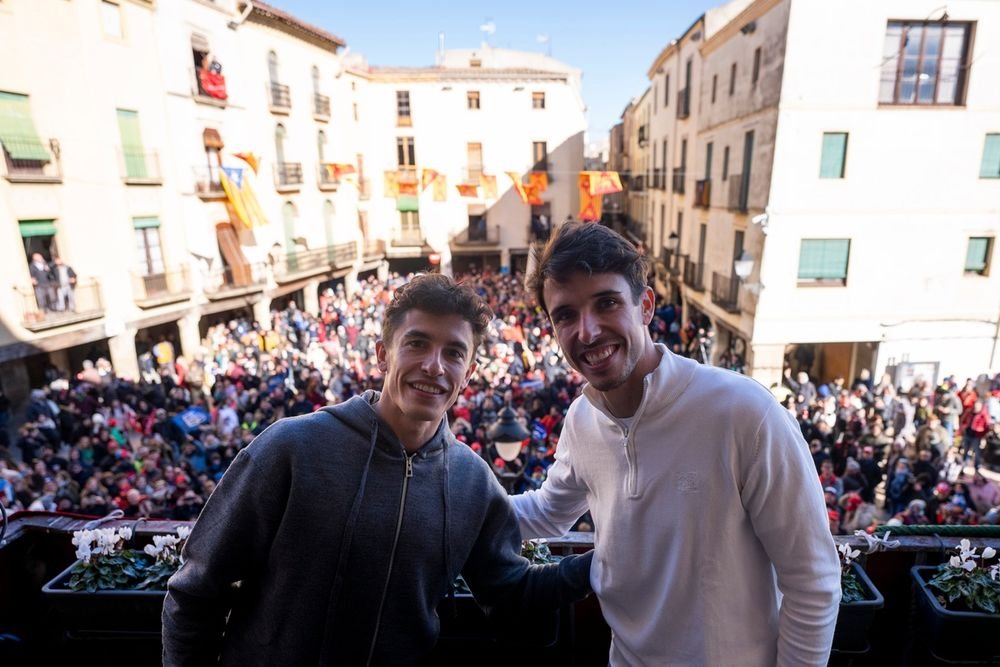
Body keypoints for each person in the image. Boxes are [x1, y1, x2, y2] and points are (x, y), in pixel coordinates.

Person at [162, 273, 593, 665]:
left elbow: (509, 591)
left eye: (454, 353)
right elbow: (197, 590)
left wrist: (602, 564)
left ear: (469, 373)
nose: (434, 366)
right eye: (417, 343)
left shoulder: (473, 483)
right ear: (383, 354)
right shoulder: (290, 447)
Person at [512, 221, 840, 666]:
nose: (586, 332)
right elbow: (548, 512)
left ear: (645, 305)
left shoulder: (745, 412)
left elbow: (813, 581)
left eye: (606, 302)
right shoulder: (582, 418)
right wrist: (446, 490)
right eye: (565, 314)